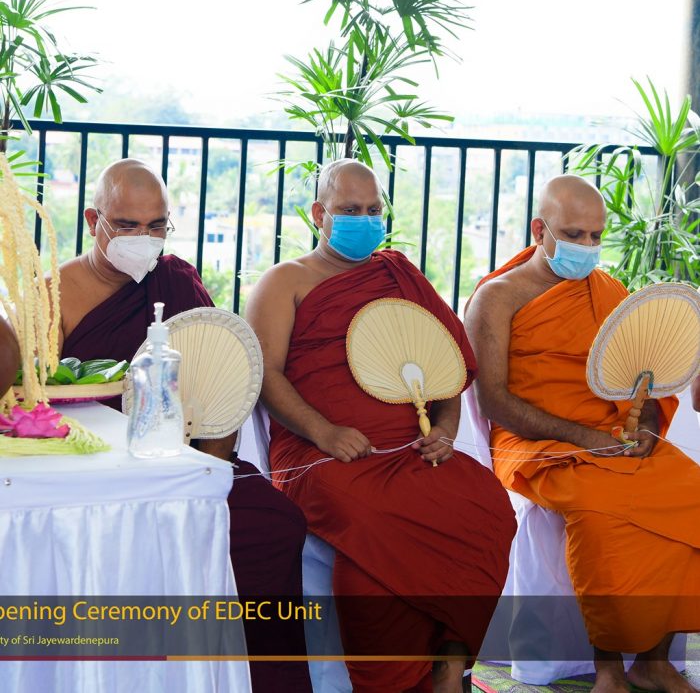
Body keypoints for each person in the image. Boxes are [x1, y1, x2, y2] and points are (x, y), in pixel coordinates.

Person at [245, 158, 516, 693]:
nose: (365, 220)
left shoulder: (399, 277)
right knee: (367, 520)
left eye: (374, 210)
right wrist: (323, 431)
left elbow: (445, 367)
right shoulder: (286, 281)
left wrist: (444, 429)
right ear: (320, 213)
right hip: (322, 452)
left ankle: (450, 662)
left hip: (411, 444)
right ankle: (389, 679)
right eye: (350, 210)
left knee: (486, 502)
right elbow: (265, 374)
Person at [58, 158, 311, 693]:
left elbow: (220, 379)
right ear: (93, 221)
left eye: (157, 226)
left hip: (186, 457)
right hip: (94, 473)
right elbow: (36, 402)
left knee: (273, 523)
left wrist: (209, 472)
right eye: (127, 225)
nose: (144, 239)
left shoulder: (176, 281)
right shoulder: (54, 293)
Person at [464, 174, 700, 693]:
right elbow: (494, 400)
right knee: (599, 509)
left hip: (612, 435)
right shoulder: (498, 298)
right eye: (574, 235)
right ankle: (609, 668)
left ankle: (653, 661)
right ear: (539, 230)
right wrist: (583, 439)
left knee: (693, 493)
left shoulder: (608, 291)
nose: (587, 247)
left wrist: (646, 427)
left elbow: (642, 377)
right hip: (535, 444)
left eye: (596, 236)